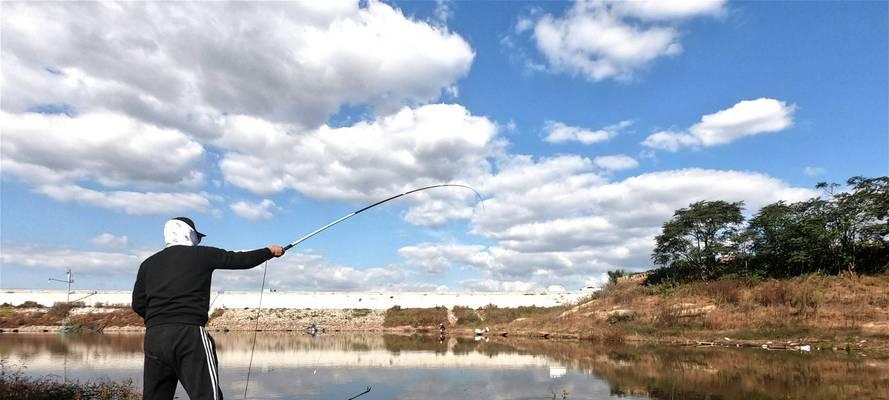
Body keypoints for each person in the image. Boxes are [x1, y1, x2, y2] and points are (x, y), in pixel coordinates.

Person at [132, 217, 285, 400]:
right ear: (188, 234)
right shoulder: (202, 255)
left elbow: (138, 304)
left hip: (154, 338)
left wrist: (159, 320)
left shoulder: (147, 264)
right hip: (188, 335)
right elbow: (240, 259)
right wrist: (269, 251)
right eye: (197, 237)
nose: (198, 241)